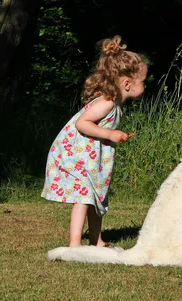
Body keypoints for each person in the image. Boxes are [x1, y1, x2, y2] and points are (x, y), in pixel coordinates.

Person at [41, 35, 147, 247]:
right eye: (143, 81)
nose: (145, 85)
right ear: (127, 83)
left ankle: (96, 240)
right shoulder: (107, 103)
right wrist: (110, 134)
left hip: (91, 159)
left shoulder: (115, 104)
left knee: (97, 196)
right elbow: (82, 123)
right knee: (85, 196)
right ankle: (74, 243)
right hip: (76, 156)